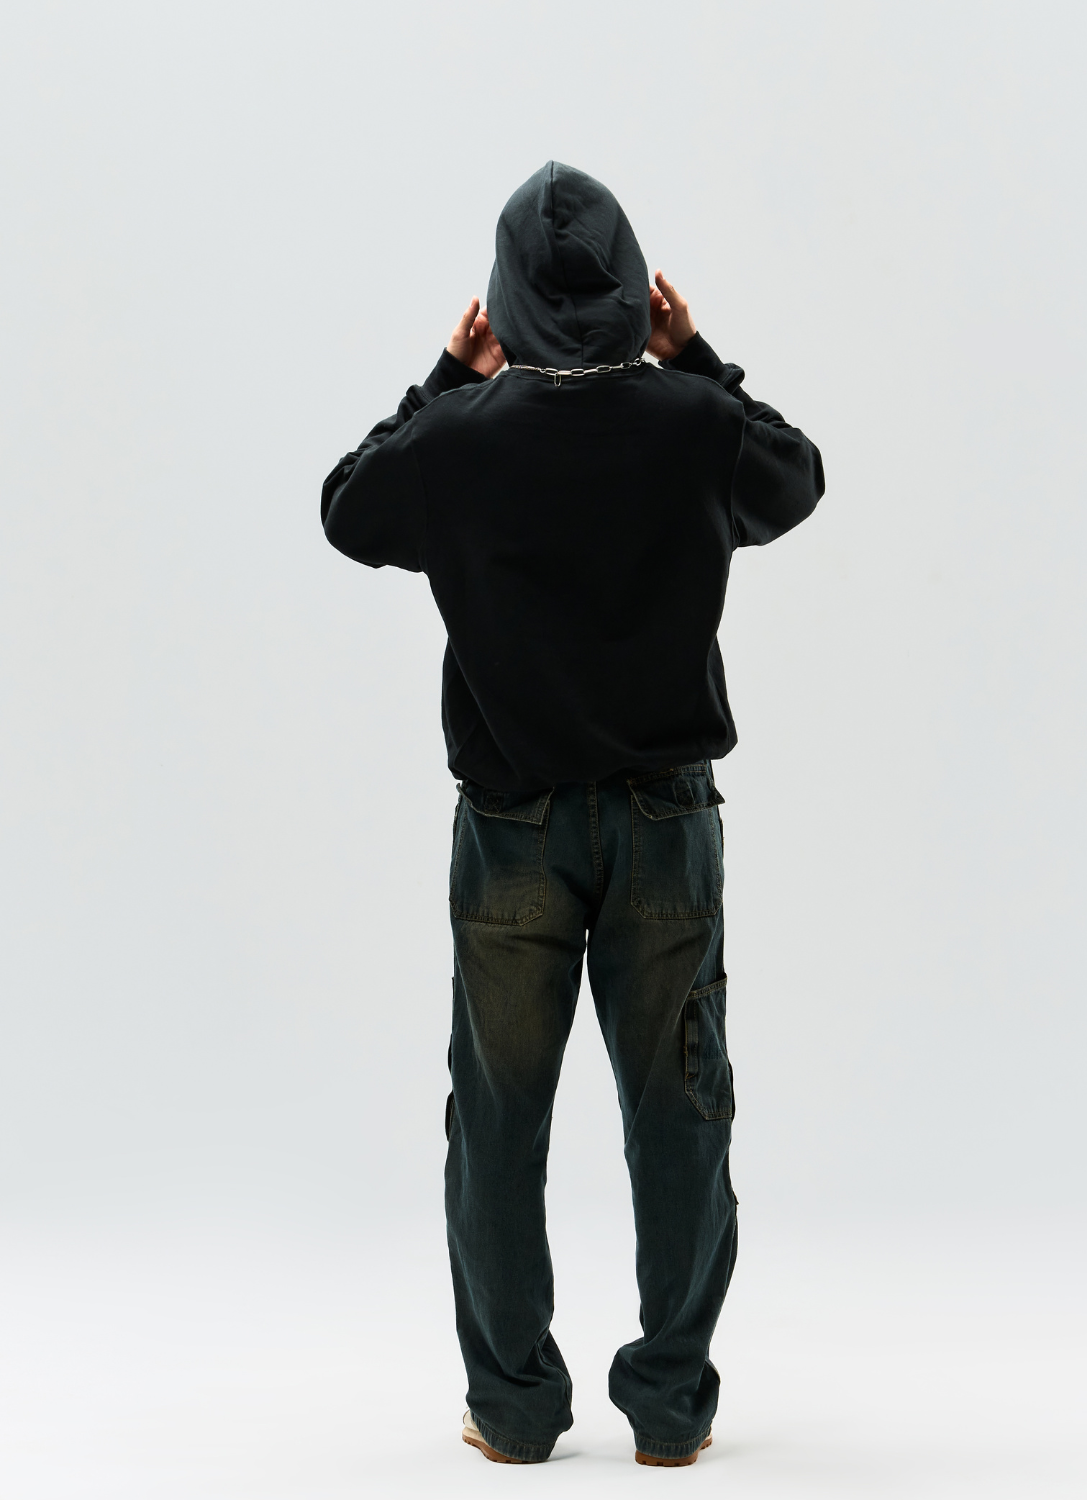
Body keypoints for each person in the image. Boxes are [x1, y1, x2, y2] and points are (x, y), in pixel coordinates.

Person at [321, 161, 824, 1468]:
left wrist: (447, 378)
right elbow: (797, 478)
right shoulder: (694, 427)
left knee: (496, 1126)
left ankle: (512, 1410)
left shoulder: (457, 443)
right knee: (682, 1116)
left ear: (503, 303)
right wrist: (693, 353)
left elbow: (348, 508)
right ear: (632, 291)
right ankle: (669, 1410)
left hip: (512, 835)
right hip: (665, 825)